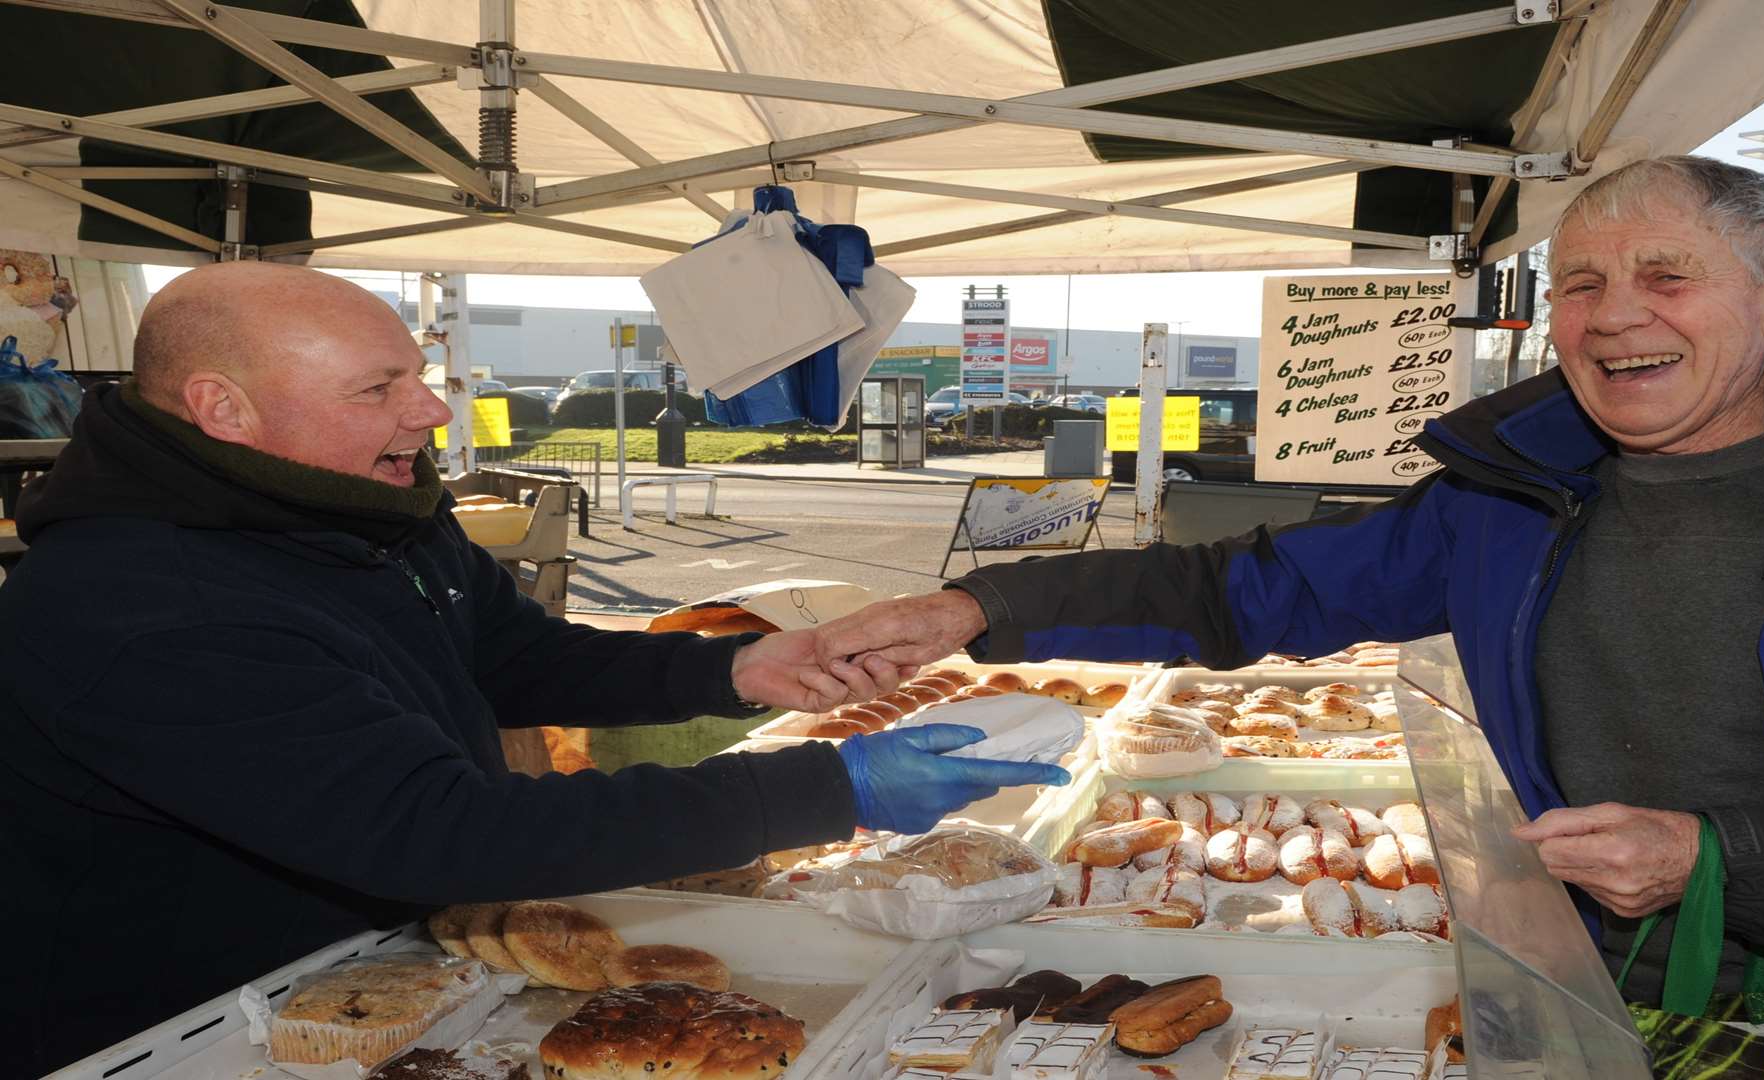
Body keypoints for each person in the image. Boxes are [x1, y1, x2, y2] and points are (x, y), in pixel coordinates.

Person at [816, 156, 1764, 1048]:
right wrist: (980, 608)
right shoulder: (1513, 499)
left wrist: (1719, 857)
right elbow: (1248, 586)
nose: (1613, 317)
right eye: (1579, 284)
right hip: (1577, 988)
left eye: (1666, 276)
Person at [0, 262, 1068, 1074]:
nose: (429, 413)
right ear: (223, 410)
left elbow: (512, 656)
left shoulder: (368, 510)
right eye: (379, 390)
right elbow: (442, 831)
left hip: (370, 965)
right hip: (172, 1030)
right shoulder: (140, 604)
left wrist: (741, 672)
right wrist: (830, 786)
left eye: (418, 376)